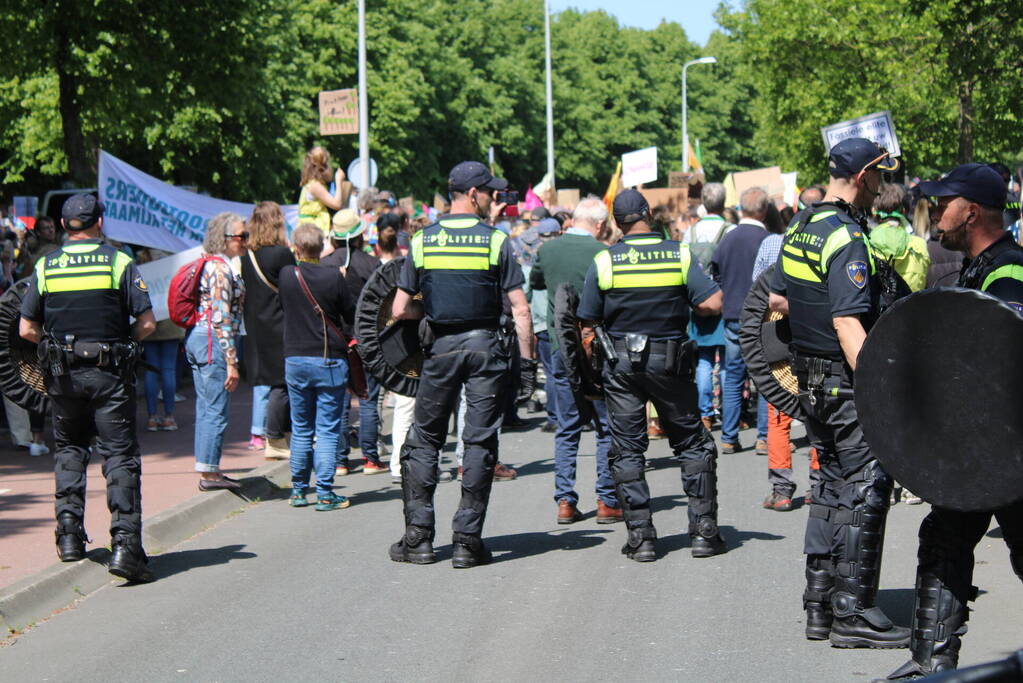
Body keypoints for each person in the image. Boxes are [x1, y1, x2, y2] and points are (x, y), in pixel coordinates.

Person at [768, 138, 909, 648]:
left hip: (808, 380)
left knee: (829, 487)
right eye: (880, 176)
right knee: (866, 486)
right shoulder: (846, 235)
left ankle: (820, 604)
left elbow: (778, 296)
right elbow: (848, 323)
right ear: (864, 175)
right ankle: (853, 612)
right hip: (843, 380)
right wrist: (880, 389)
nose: (882, 186)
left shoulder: (801, 224)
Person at [887, 164, 1023, 679]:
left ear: (972, 212)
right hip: (976, 444)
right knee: (944, 537)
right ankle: (930, 664)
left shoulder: (1008, 270)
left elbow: (997, 358)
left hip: (1008, 445)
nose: (936, 212)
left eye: (945, 204)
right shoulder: (977, 266)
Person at [388, 161, 535, 568]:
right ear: (472, 194)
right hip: (487, 350)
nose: (493, 198)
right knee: (479, 442)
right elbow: (521, 310)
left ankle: (418, 539)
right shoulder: (496, 241)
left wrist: (432, 309)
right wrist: (526, 367)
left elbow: (399, 308)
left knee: (424, 441)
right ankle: (467, 542)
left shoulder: (422, 241)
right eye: (489, 192)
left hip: (441, 350)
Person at [577, 189, 726, 562]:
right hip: (669, 362)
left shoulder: (605, 261)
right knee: (693, 445)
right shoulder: (678, 254)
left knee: (627, 450)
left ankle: (641, 539)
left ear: (616, 222)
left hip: (620, 366)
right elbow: (712, 302)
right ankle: (704, 533)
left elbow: (587, 322)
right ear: (648, 215)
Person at [19, 194, 157, 582]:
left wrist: (57, 347)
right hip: (109, 375)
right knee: (119, 456)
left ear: (64, 226)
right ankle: (126, 548)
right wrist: (121, 344)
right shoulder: (118, 262)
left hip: (62, 377)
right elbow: (147, 323)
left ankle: (68, 537)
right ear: (100, 222)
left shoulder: (46, 265)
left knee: (69, 449)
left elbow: (26, 328)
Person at [529, 197, 622, 525]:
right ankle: (606, 499)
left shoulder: (548, 250)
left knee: (567, 426)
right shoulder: (603, 253)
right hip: (597, 349)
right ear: (600, 224)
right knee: (605, 426)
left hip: (561, 346)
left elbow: (536, 283)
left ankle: (565, 501)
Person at [278, 223, 356, 510]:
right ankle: (324, 492)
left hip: (295, 358)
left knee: (300, 427)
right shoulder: (334, 276)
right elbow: (349, 313)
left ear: (296, 248)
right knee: (327, 429)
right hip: (328, 358)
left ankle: (298, 490)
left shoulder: (287, 275)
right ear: (322, 247)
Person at [751, 214, 821, 511]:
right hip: (814, 340)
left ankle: (781, 491)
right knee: (817, 412)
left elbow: (756, 294)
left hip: (776, 338)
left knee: (779, 413)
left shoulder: (772, 245)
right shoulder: (820, 252)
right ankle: (818, 485)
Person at [185, 212, 247, 491]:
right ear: (224, 238)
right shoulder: (220, 270)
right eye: (241, 236)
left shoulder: (212, 263)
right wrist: (232, 361)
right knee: (215, 409)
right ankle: (210, 474)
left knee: (206, 407)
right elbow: (221, 318)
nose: (245, 241)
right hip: (212, 341)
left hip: (200, 338)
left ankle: (209, 467)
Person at [322, 209, 386, 474]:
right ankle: (371, 458)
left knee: (338, 400)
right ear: (360, 235)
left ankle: (340, 461)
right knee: (368, 398)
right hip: (367, 338)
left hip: (335, 339)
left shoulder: (323, 265)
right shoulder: (372, 264)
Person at [711, 187, 769, 454]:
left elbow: (716, 275)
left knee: (733, 376)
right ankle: (764, 437)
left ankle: (728, 436)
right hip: (762, 316)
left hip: (733, 314)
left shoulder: (727, 239)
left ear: (741, 208)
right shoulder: (768, 239)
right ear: (764, 210)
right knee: (765, 378)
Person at [240, 202, 295, 459]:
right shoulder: (281, 254)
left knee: (271, 382)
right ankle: (275, 438)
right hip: (280, 324)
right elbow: (292, 288)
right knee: (281, 384)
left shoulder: (246, 257)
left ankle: (274, 436)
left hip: (255, 326)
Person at [684, 183, 731, 432]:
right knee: (726, 362)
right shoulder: (730, 230)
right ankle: (728, 410)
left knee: (703, 360)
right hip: (724, 301)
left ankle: (705, 414)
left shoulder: (690, 232)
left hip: (698, 302)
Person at [870, 184, 930, 292]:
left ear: (875, 211)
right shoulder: (920, 245)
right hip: (914, 302)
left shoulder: (867, 242)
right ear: (903, 211)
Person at [297, 146, 350, 236]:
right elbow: (337, 205)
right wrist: (339, 181)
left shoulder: (314, 184)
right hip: (311, 233)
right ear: (323, 167)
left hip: (310, 231)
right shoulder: (315, 185)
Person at [143, 319, 184, 432]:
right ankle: (168, 417)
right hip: (170, 323)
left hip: (148, 323)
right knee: (168, 369)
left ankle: (152, 418)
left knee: (151, 368)